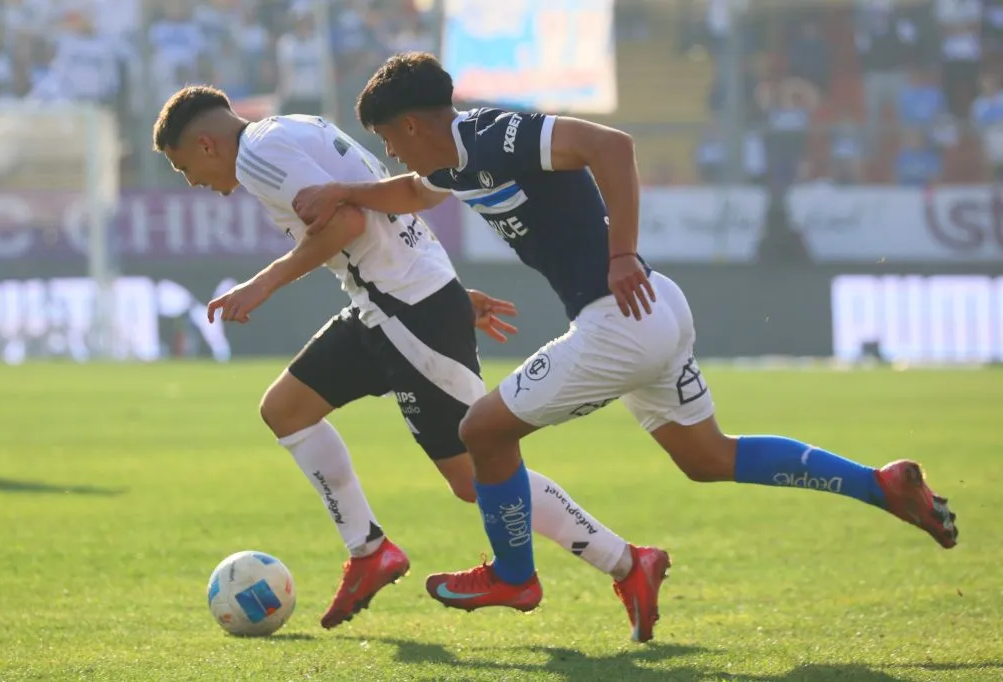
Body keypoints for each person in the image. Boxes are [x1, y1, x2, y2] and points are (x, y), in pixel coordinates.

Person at [292, 52, 959, 641]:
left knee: (481, 431)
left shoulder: (493, 134)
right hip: (654, 309)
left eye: (388, 139)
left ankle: (515, 577)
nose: (391, 152)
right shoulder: (452, 164)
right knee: (708, 457)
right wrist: (347, 190)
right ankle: (881, 486)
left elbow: (610, 145)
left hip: (620, 317)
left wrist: (622, 254)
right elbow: (412, 192)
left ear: (412, 125)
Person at [151, 85, 663, 636]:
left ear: (206, 145)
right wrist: (449, 292)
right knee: (286, 410)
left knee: (474, 477)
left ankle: (627, 562)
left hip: (406, 310)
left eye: (183, 167)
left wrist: (263, 283)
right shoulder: (296, 126)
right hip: (386, 304)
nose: (193, 181)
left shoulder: (256, 156)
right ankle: (369, 550)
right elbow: (378, 208)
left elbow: (347, 224)